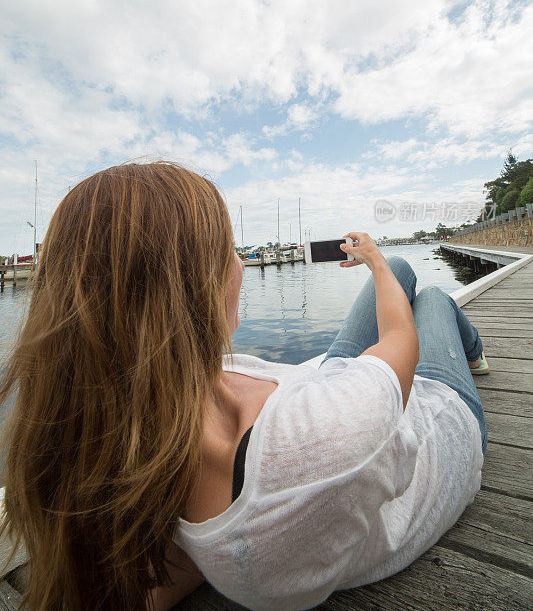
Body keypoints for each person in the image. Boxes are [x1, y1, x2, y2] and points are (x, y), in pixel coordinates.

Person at [0, 161, 487, 611]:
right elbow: (402, 340)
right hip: (435, 419)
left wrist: (385, 267)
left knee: (402, 271)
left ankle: (401, 278)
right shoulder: (317, 442)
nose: (239, 266)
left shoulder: (131, 429)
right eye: (230, 251)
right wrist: (375, 262)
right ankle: (474, 354)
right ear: (197, 286)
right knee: (434, 301)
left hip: (327, 384)